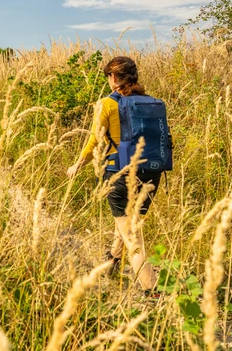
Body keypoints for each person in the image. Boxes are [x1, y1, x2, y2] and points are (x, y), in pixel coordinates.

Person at [66, 56, 162, 293]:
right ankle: (111, 263)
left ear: (114, 77)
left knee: (133, 238)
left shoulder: (107, 104)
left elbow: (94, 140)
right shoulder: (153, 103)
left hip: (119, 173)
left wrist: (77, 165)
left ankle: (154, 291)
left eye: (108, 76)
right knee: (127, 224)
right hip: (151, 173)